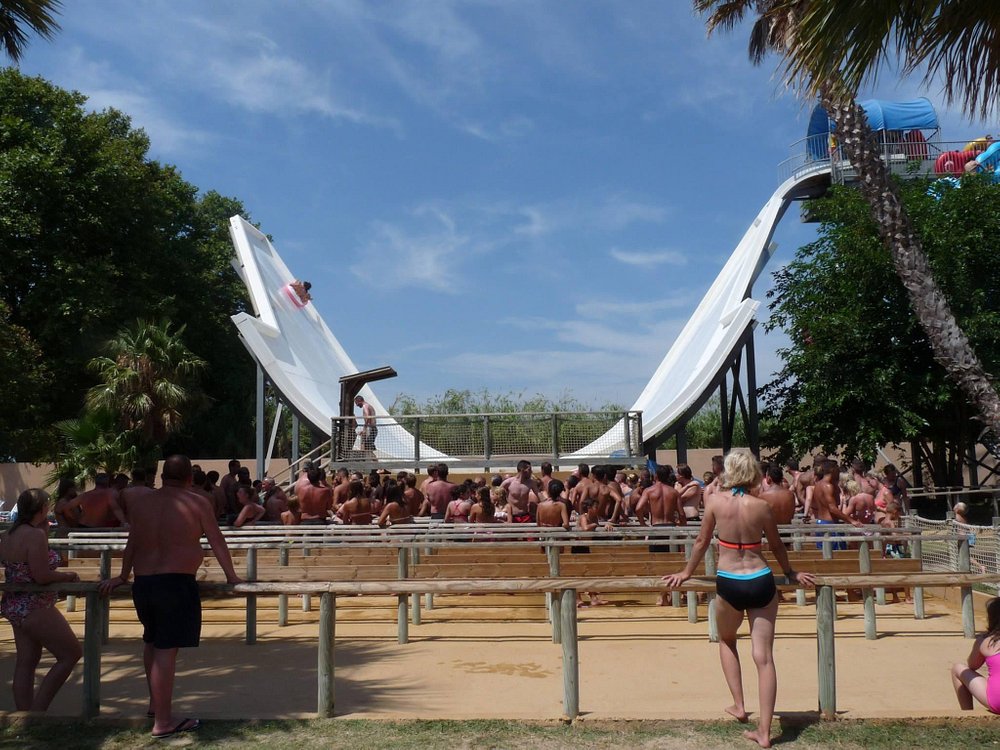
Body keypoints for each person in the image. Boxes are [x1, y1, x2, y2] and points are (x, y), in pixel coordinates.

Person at [663, 450, 815, 749]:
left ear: (729, 472)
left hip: (729, 581)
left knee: (727, 640)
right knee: (764, 657)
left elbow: (702, 541)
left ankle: (739, 705)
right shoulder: (762, 506)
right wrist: (791, 572)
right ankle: (765, 732)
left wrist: (685, 572)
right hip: (760, 579)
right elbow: (776, 545)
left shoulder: (715, 502)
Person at [99, 455, 242, 738]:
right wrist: (232, 577)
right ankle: (163, 721)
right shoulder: (198, 502)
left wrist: (122, 575)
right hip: (175, 583)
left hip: (144, 583)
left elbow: (132, 543)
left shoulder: (141, 503)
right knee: (166, 650)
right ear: (190, 477)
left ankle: (156, 705)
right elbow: (217, 540)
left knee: (152, 642)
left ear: (163, 476)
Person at [0, 489, 82, 711]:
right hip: (34, 605)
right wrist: (67, 576)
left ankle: (25, 713)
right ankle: (38, 711)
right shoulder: (34, 535)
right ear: (43, 508)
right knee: (71, 654)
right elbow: (41, 575)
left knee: (26, 661)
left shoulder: (8, 534)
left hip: (14, 604)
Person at [951, 597, 1000, 713]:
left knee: (957, 669)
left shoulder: (986, 641)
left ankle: (967, 714)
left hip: (998, 702)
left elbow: (972, 665)